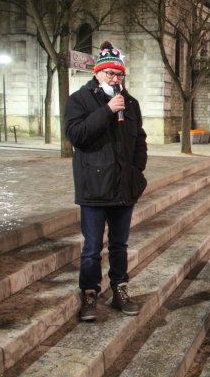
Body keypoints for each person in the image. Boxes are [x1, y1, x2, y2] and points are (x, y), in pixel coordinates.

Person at [65, 41, 148, 322]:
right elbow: (76, 135)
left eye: (119, 75)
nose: (115, 79)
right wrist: (107, 111)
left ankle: (119, 289)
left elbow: (140, 141)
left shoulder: (131, 103)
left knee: (119, 245)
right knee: (91, 248)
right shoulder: (79, 99)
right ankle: (89, 293)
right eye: (110, 74)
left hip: (124, 188)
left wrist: (137, 172)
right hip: (94, 189)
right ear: (98, 74)